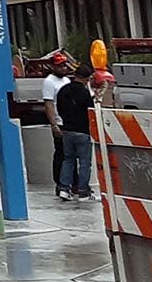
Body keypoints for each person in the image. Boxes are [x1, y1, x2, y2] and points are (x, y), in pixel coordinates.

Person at [55, 65, 97, 202]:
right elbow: (91, 111)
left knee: (68, 159)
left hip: (67, 129)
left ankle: (64, 189)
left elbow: (58, 108)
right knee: (84, 162)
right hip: (83, 131)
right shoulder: (85, 93)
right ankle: (83, 191)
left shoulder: (63, 90)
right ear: (86, 78)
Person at [40, 51, 75, 199]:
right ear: (53, 67)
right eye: (60, 66)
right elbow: (48, 104)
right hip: (59, 122)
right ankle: (60, 183)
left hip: (69, 122)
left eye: (64, 66)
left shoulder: (66, 81)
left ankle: (73, 182)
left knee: (71, 155)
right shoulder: (49, 82)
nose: (63, 69)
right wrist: (54, 124)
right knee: (61, 154)